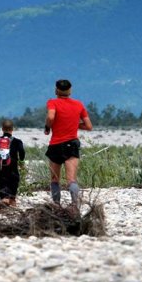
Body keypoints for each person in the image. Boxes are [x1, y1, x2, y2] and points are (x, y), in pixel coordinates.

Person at [44, 79, 93, 207]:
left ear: (56, 90)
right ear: (70, 91)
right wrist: (74, 124)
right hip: (71, 144)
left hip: (56, 144)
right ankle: (75, 205)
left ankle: (56, 205)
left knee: (55, 179)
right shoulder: (78, 104)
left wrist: (48, 127)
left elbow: (50, 116)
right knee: (71, 179)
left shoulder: (52, 102)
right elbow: (89, 126)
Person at [0, 119, 25, 206]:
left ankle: (4, 200)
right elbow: (22, 155)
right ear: (12, 129)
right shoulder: (18, 142)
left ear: (2, 129)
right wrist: (19, 159)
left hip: (1, 170)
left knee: (3, 195)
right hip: (13, 170)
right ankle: (12, 201)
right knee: (12, 195)